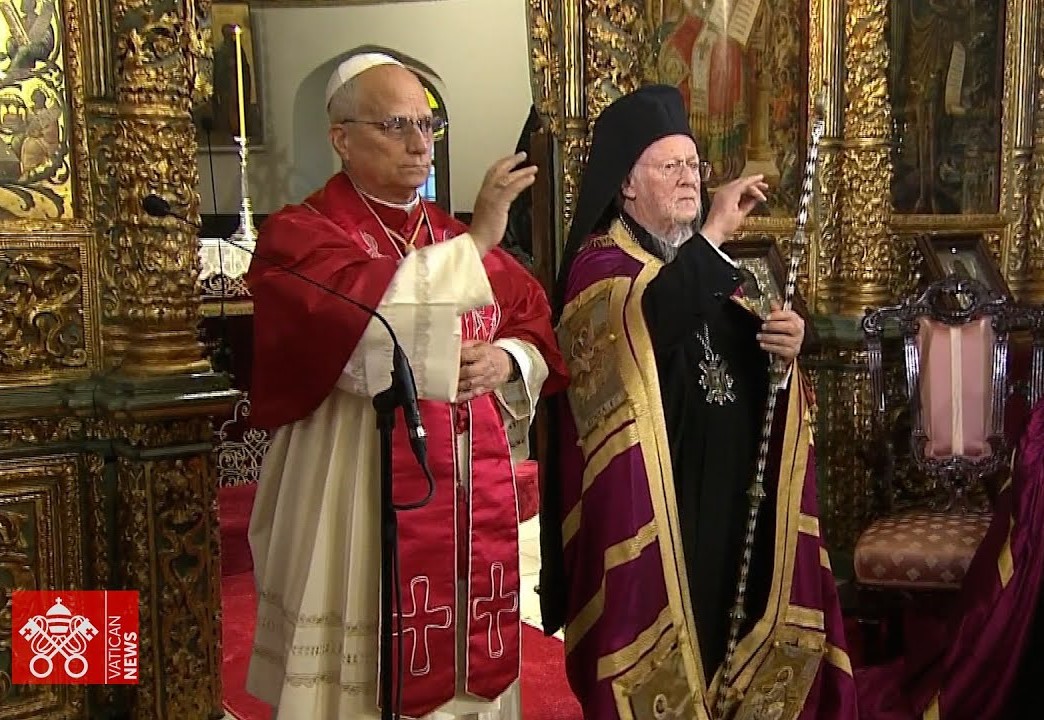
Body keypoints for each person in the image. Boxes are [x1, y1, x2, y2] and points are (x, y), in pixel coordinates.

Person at [245, 52, 568, 720]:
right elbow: (358, 327)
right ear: (341, 138)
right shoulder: (301, 234)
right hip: (353, 482)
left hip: (467, 492)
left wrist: (506, 359)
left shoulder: (453, 238)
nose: (420, 143)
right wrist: (477, 242)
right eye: (396, 125)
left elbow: (534, 322)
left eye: (428, 125)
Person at [538, 85, 857, 719]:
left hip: (729, 499)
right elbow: (649, 326)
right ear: (626, 185)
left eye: (694, 164)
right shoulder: (599, 271)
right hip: (657, 511)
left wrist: (785, 348)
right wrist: (711, 235)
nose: (690, 178)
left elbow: (746, 354)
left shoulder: (703, 266)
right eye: (671, 166)